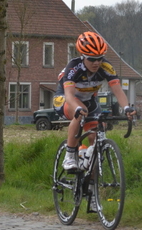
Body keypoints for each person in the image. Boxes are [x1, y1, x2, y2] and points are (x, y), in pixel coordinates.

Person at [55, 31, 135, 172]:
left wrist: (127, 108)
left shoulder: (106, 67)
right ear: (83, 57)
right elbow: (69, 95)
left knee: (96, 139)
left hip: (89, 101)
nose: (96, 62)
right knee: (80, 112)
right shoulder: (74, 67)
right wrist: (78, 109)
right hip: (66, 99)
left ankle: (92, 187)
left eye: (99, 58)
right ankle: (70, 154)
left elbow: (118, 90)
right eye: (92, 59)